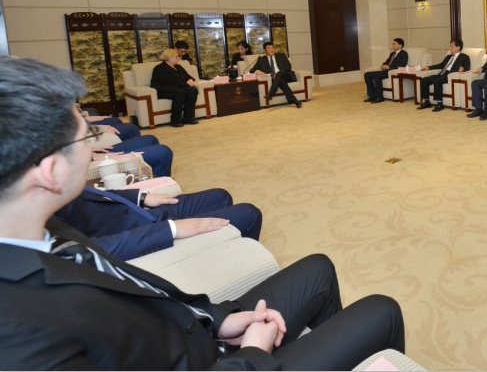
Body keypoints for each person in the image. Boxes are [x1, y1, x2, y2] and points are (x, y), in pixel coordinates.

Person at [0, 56, 405, 370]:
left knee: (318, 267)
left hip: (202, 332)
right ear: (49, 171)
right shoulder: (20, 333)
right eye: (85, 136)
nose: (93, 148)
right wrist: (252, 355)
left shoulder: (44, 233)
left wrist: (219, 320)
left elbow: (138, 290)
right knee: (382, 310)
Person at [53, 187, 262, 261]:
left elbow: (89, 196)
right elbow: (85, 250)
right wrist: (171, 230)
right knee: (249, 213)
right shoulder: (38, 211)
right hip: (142, 232)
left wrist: (142, 197)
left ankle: (223, 254)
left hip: (141, 211)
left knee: (220, 196)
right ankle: (244, 266)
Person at [150, 48, 199, 127]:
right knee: (180, 92)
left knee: (192, 90)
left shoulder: (178, 66)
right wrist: (186, 83)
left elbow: (187, 76)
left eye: (177, 57)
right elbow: (171, 81)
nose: (178, 58)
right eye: (176, 57)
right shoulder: (159, 68)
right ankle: (175, 120)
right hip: (164, 90)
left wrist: (191, 80)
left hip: (177, 87)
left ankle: (188, 118)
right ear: (168, 58)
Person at [417, 40, 471, 112]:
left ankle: (440, 104)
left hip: (450, 75)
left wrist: (463, 68)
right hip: (441, 74)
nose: (450, 48)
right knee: (424, 80)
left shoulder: (464, 57)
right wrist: (429, 67)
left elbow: (467, 67)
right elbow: (441, 65)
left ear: (458, 47)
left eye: (452, 46)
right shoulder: (448, 56)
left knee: (437, 81)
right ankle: (427, 102)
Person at [249, 42, 302, 108]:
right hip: (275, 79)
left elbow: (288, 66)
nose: (271, 50)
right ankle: (296, 101)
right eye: (269, 48)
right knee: (282, 82)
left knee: (279, 74)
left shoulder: (281, 56)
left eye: (272, 48)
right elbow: (252, 70)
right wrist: (257, 71)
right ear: (265, 50)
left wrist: (279, 72)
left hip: (286, 75)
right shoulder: (261, 60)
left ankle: (271, 93)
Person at [364, 38, 408, 104]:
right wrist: (383, 66)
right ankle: (372, 95)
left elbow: (402, 65)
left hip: (392, 71)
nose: (393, 46)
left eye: (394, 44)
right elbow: (387, 62)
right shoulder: (392, 54)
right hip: (385, 71)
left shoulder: (403, 54)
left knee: (376, 75)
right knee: (367, 74)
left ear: (400, 45)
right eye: (393, 44)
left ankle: (380, 97)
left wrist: (389, 67)